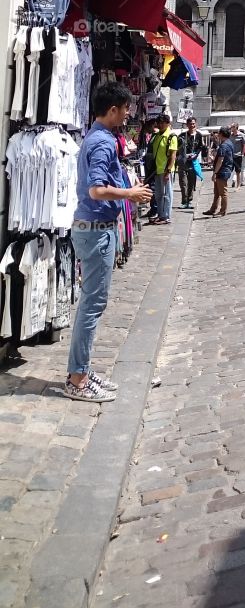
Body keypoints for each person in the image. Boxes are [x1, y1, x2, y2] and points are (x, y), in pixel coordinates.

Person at [65, 82, 153, 400]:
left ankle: (83, 370)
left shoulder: (101, 137)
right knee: (92, 306)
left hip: (96, 227)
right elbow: (96, 190)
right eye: (126, 108)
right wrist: (130, 193)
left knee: (93, 304)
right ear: (113, 109)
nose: (129, 114)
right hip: (95, 230)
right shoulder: (102, 142)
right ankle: (77, 380)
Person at [146, 113, 177, 226]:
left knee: (167, 194)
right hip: (157, 170)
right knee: (158, 194)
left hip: (165, 170)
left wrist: (168, 171)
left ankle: (166, 216)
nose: (160, 125)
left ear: (168, 124)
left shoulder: (171, 137)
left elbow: (173, 155)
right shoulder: (157, 136)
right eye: (158, 123)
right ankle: (160, 214)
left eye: (162, 123)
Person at [205, 128, 234, 217]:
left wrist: (215, 173)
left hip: (222, 171)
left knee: (223, 192)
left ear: (221, 134)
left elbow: (220, 160)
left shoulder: (224, 145)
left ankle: (223, 211)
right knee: (217, 192)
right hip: (226, 169)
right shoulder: (229, 143)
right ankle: (213, 209)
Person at [178, 117, 204, 210]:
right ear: (187, 125)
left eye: (193, 123)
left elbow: (200, 147)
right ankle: (184, 201)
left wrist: (195, 155)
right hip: (183, 161)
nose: (192, 125)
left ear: (195, 124)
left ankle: (190, 200)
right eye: (190, 124)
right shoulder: (182, 135)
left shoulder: (199, 135)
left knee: (192, 181)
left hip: (193, 161)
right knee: (183, 182)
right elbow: (178, 148)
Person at [230, 123, 245, 190]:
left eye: (232, 127)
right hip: (231, 156)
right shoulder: (230, 135)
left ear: (236, 127)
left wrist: (242, 154)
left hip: (238, 155)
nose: (231, 128)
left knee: (238, 171)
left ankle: (238, 186)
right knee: (229, 170)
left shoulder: (242, 135)